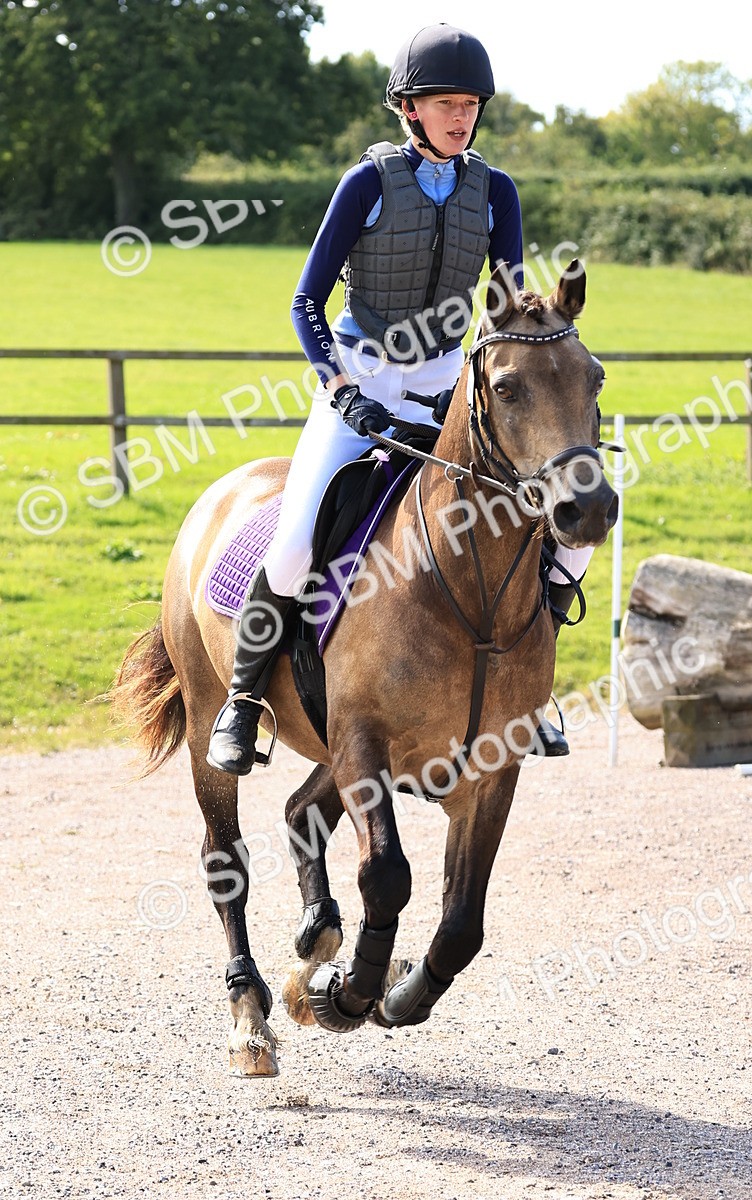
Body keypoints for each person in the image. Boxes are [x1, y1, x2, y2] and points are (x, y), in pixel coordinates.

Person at [207, 23, 593, 776]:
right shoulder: (366, 185)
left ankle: (527, 691)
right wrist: (342, 389)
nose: (461, 116)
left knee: (553, 522)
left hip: (451, 386)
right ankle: (244, 700)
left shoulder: (497, 191)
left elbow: (507, 301)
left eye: (470, 104)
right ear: (410, 108)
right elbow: (305, 304)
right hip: (361, 376)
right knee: (294, 541)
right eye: (445, 102)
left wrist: (543, 325)